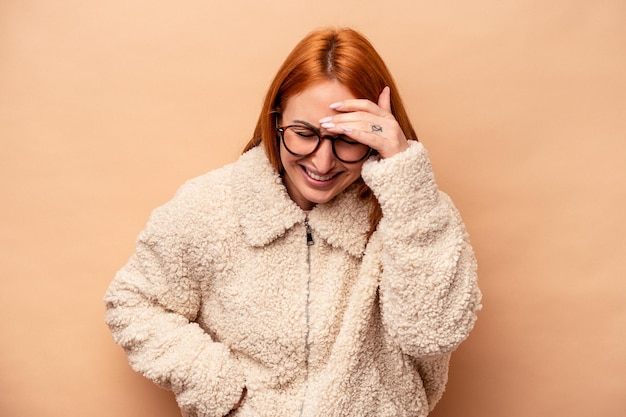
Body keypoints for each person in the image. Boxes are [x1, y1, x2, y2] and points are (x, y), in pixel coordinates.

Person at [104, 27, 481, 417]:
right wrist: (218, 386)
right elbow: (132, 302)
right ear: (276, 120)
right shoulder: (210, 206)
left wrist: (403, 174)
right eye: (304, 134)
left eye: (347, 139)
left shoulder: (415, 212)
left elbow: (434, 334)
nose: (322, 162)